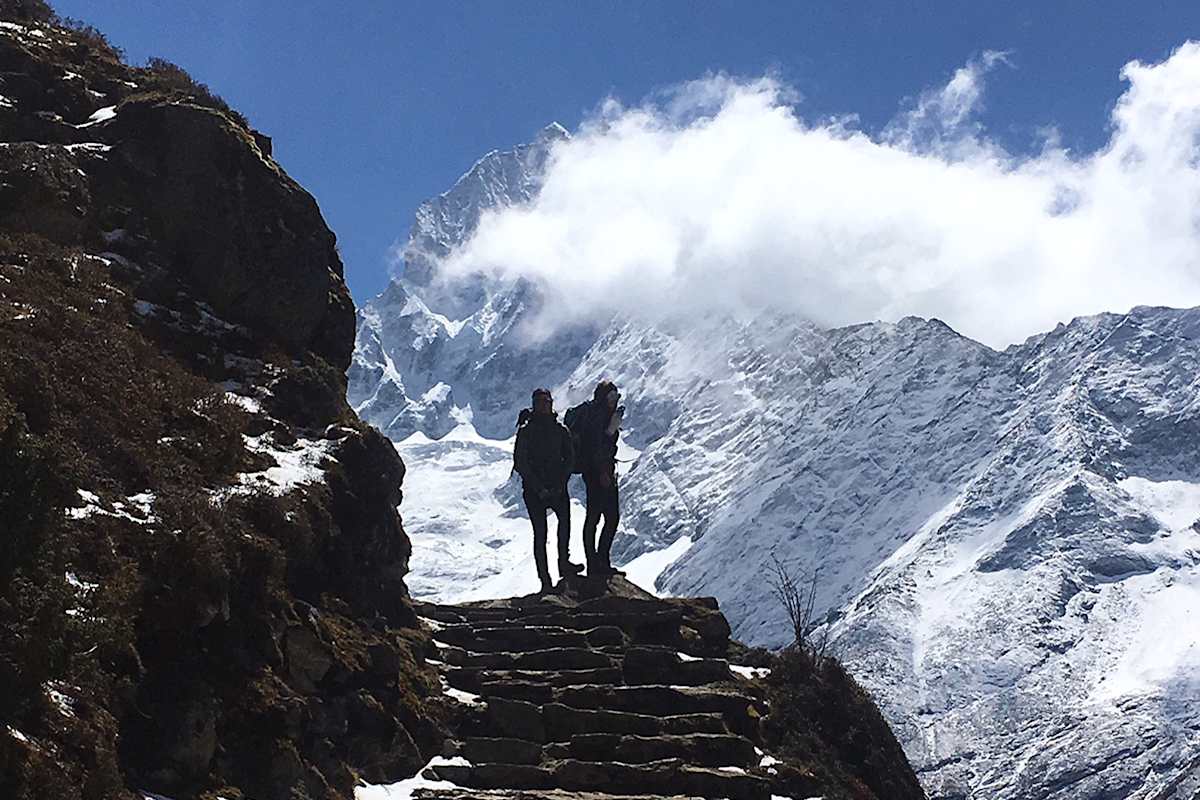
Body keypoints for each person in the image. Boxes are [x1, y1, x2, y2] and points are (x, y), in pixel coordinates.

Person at [513, 387, 582, 594]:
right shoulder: (527, 430)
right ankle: (545, 580)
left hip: (556, 487)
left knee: (565, 524)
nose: (544, 405)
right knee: (540, 534)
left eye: (547, 401)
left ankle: (564, 563)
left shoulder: (559, 430)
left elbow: (569, 459)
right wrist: (538, 487)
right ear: (534, 405)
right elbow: (520, 462)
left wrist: (560, 484)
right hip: (535, 491)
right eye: (540, 402)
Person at [577, 380, 623, 577]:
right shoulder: (597, 416)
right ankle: (596, 563)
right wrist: (602, 472)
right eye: (612, 397)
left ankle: (599, 562)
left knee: (605, 518)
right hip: (597, 473)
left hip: (601, 471)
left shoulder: (605, 415)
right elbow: (595, 447)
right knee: (600, 518)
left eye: (616, 397)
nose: (614, 401)